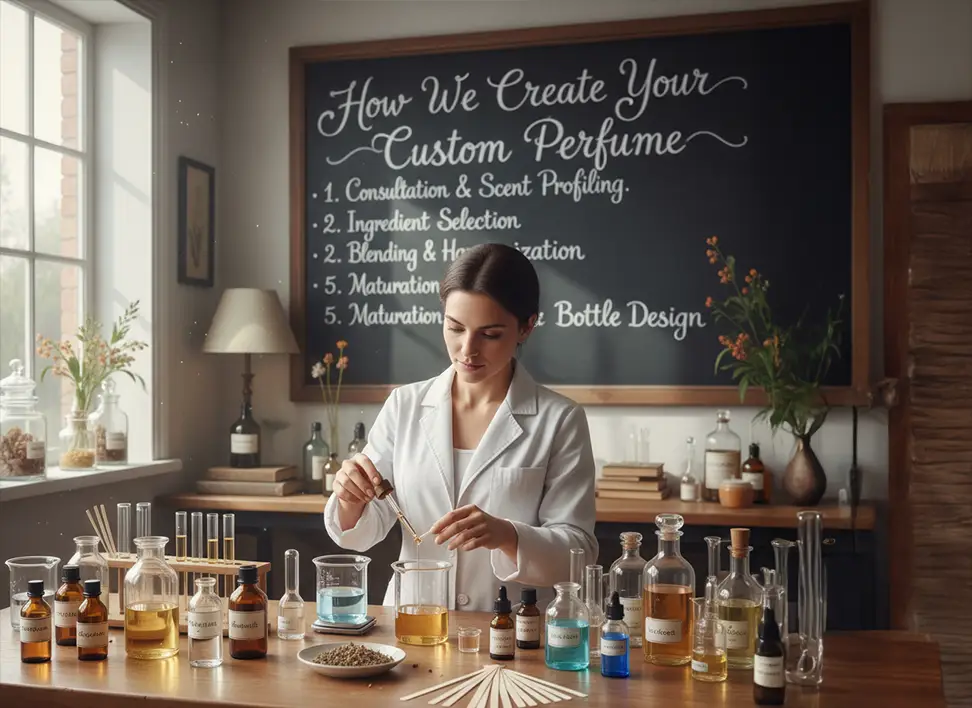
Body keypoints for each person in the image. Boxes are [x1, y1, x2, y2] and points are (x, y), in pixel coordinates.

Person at [323, 243, 598, 613]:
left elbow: (579, 553)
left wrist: (508, 535)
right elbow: (363, 531)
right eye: (455, 328)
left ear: (526, 326)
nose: (468, 349)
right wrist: (350, 498)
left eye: (490, 334)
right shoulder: (404, 406)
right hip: (414, 620)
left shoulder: (560, 419)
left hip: (511, 627)